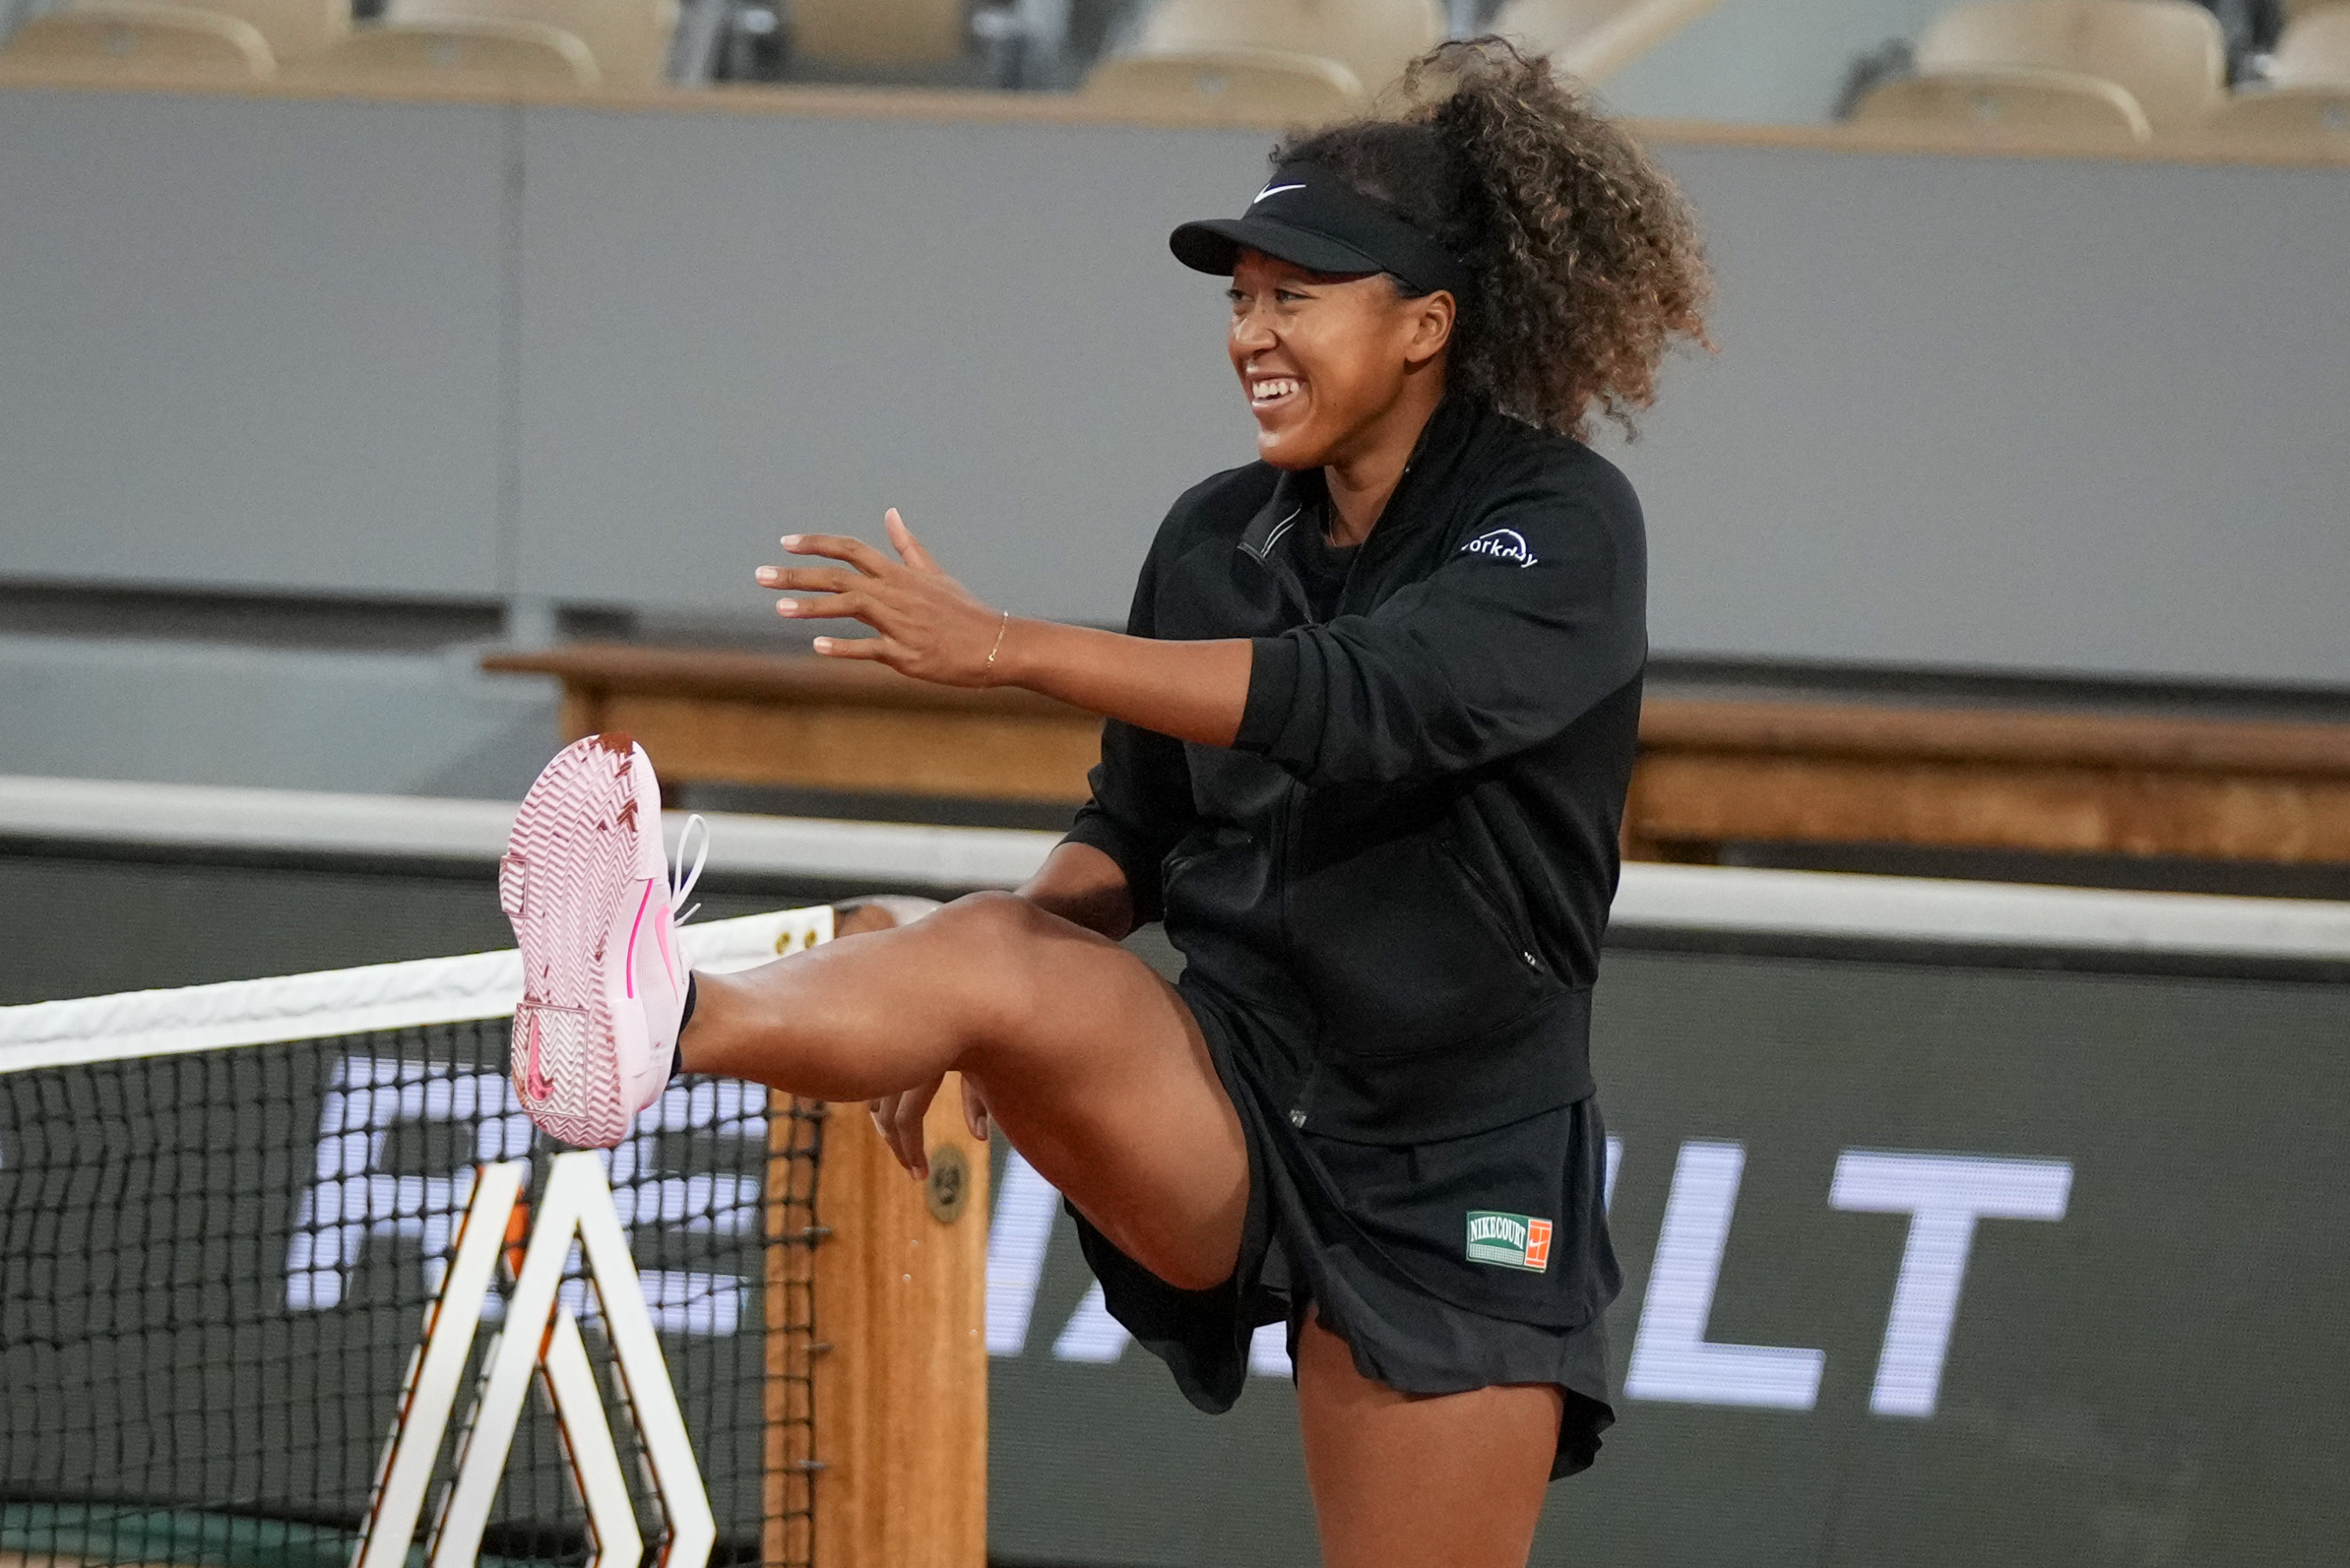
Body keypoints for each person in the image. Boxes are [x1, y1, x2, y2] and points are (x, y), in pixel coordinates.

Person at [498, 38, 1708, 1568]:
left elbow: (1374, 700)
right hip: (1224, 1075)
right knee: (997, 939)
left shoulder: (1557, 523)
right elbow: (1131, 836)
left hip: (1456, 1148)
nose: (1251, 336)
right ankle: (654, 1014)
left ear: (1422, 325)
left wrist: (1003, 648)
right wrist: (940, 999)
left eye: (1296, 298)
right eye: (1239, 299)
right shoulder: (1214, 536)